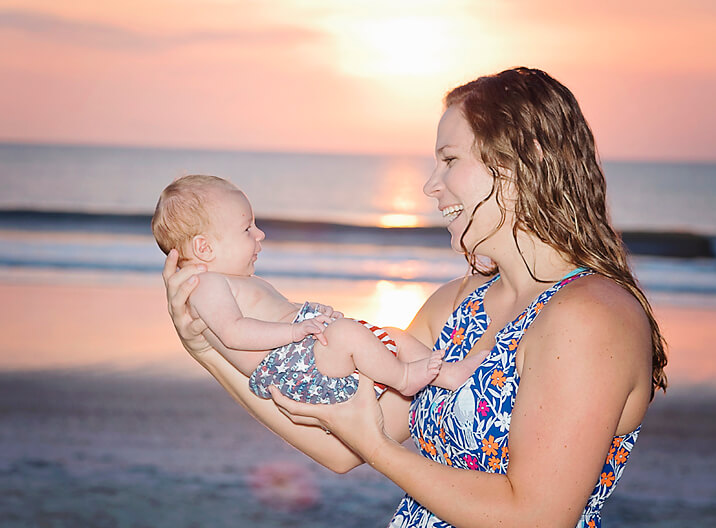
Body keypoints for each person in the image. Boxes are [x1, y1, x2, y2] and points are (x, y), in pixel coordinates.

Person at [163, 67, 668, 527]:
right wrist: (210, 349)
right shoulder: (455, 305)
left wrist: (378, 449)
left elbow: (535, 516)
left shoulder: (592, 315)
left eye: (449, 160)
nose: (431, 185)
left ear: (518, 164)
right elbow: (341, 444)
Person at [151, 174, 486, 404]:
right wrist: (297, 329)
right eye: (247, 229)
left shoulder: (236, 282)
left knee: (392, 335)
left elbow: (277, 310)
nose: (260, 235)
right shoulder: (207, 285)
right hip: (287, 367)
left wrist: (309, 316)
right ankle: (403, 379)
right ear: (205, 248)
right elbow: (235, 333)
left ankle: (450, 375)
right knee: (349, 334)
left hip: (303, 353)